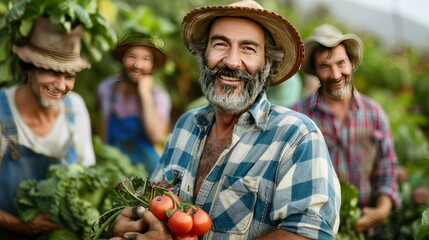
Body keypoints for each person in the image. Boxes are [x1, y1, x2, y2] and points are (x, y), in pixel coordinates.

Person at [109, 1, 341, 240]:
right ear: (203, 54)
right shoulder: (186, 125)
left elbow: (310, 235)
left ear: (267, 63)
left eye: (248, 49)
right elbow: (153, 203)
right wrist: (135, 223)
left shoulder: (297, 136)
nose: (231, 61)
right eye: (220, 44)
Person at [290, 24, 400, 235]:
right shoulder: (298, 117)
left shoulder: (374, 114)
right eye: (325, 66)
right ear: (315, 72)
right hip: (312, 228)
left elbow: (387, 167)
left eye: (341, 63)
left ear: (352, 62)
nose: (335, 74)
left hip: (364, 224)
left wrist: (382, 209)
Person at [0, 18, 95, 239]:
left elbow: (87, 177)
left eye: (69, 76)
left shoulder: (76, 109)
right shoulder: (2, 113)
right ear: (30, 69)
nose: (61, 86)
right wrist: (18, 225)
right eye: (52, 72)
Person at [97, 34, 171, 173]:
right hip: (114, 170)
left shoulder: (159, 97)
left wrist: (144, 93)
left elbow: (157, 136)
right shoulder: (106, 89)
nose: (137, 65)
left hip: (148, 174)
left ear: (153, 66)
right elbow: (104, 130)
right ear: (121, 59)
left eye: (146, 59)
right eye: (132, 57)